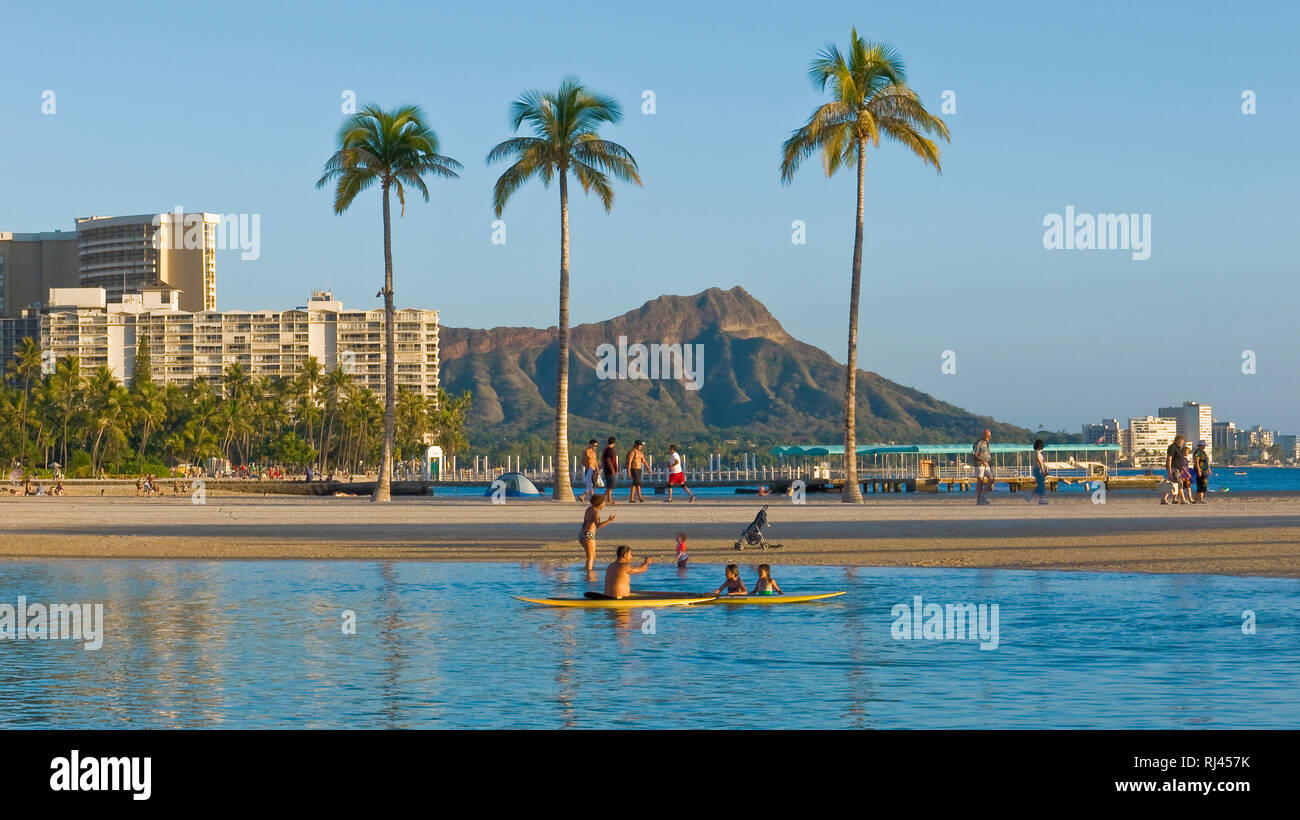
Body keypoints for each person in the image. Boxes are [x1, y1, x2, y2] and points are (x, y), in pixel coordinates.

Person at [578, 494, 616, 572]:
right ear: (599, 503)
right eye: (604, 503)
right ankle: (589, 574)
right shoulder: (595, 511)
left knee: (592, 555)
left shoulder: (589, 509)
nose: (604, 504)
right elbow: (598, 525)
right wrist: (609, 521)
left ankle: (588, 570)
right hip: (588, 535)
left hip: (583, 534)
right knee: (591, 556)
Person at [1162, 435, 1186, 505]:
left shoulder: (1178, 448)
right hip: (1174, 468)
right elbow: (1169, 459)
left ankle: (1169, 499)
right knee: (1178, 483)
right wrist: (1169, 470)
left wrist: (1181, 469)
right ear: (1178, 441)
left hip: (1178, 469)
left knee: (1173, 484)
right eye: (1182, 441)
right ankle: (1183, 500)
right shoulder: (1172, 448)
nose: (1182, 443)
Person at [972, 429, 994, 505]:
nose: (989, 437)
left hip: (987, 464)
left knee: (991, 479)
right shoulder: (978, 443)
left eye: (990, 435)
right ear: (983, 435)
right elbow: (974, 454)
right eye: (988, 435)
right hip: (980, 465)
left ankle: (982, 496)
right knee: (980, 482)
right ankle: (979, 500)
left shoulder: (987, 443)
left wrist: (988, 462)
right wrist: (983, 461)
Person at [1027, 438, 1049, 505]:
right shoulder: (1038, 454)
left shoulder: (1035, 453)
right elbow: (1040, 463)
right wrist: (1043, 471)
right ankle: (1040, 499)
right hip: (1038, 470)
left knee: (1040, 485)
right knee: (1041, 485)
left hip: (1037, 470)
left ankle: (1032, 494)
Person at [600, 437, 619, 503]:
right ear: (614, 443)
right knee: (611, 485)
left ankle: (609, 500)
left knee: (609, 485)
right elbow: (608, 460)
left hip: (607, 469)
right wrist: (612, 469)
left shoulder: (607, 449)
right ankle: (602, 498)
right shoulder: (609, 450)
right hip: (609, 470)